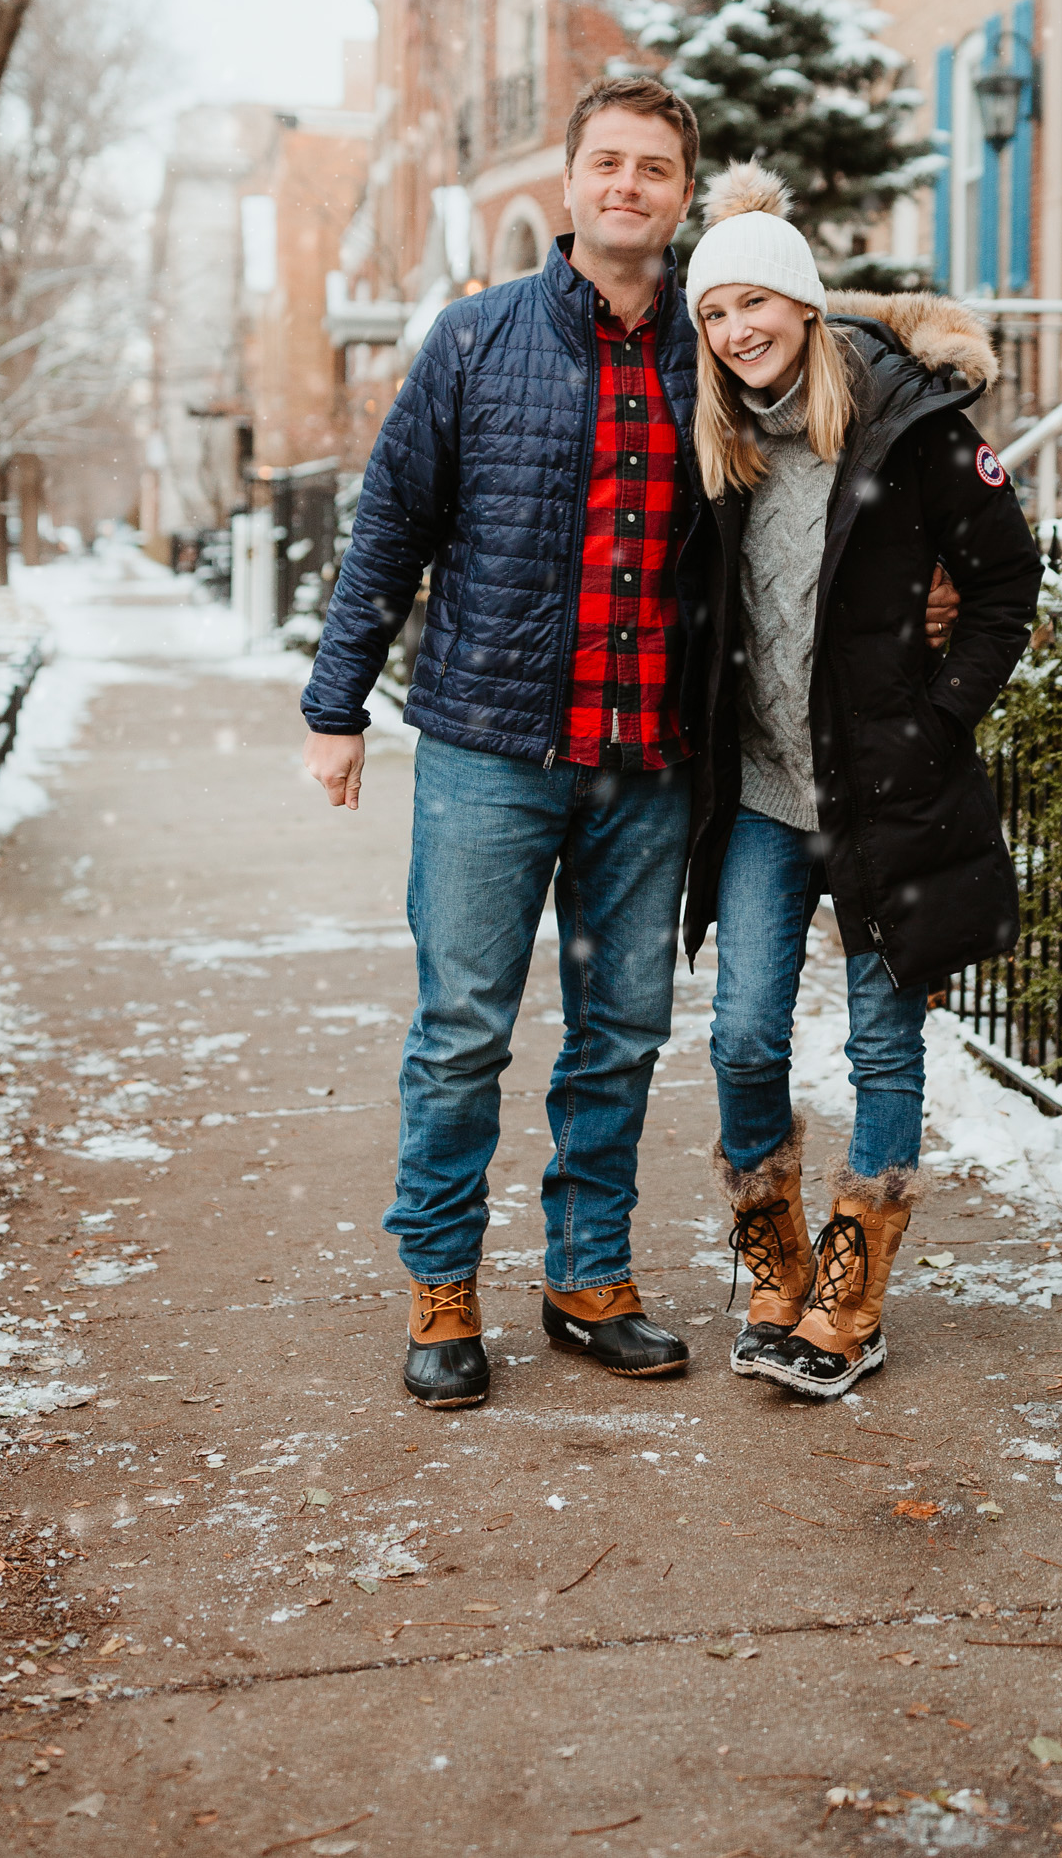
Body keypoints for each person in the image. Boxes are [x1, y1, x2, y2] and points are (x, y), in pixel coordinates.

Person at [300, 76, 709, 1409]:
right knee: (465, 1029)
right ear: (576, 181)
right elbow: (388, 531)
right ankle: (442, 1289)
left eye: (655, 167)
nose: (628, 185)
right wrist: (336, 706)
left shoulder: (720, 355)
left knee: (622, 1030)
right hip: (490, 750)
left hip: (650, 761)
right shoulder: (475, 342)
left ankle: (589, 1278)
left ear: (683, 194)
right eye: (608, 162)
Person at [680, 161, 1042, 1401]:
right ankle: (773, 1256)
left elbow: (1004, 587)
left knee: (887, 1048)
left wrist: (940, 718)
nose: (738, 333)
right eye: (715, 316)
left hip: (887, 795)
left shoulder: (914, 427)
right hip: (767, 800)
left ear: (803, 304)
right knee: (741, 1040)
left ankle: (854, 1296)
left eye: (755, 306)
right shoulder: (715, 442)